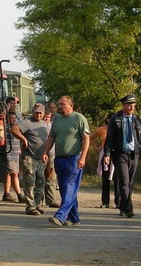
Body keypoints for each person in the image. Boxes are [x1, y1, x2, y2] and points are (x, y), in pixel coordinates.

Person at [42, 96, 90, 226]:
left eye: (62, 104)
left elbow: (86, 139)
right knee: (64, 189)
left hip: (74, 159)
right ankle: (74, 218)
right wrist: (45, 152)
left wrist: (83, 157)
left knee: (69, 187)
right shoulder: (56, 119)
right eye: (59, 104)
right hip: (59, 159)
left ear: (70, 105)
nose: (60, 106)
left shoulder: (79, 118)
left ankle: (60, 216)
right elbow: (51, 137)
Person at [104, 94, 141, 218]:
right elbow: (109, 138)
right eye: (129, 105)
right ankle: (129, 209)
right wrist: (107, 154)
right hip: (120, 154)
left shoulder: (138, 120)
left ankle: (123, 207)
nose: (131, 108)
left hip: (134, 154)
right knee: (124, 181)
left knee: (130, 183)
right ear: (123, 105)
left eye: (133, 105)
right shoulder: (115, 119)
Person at [12, 103, 49, 215]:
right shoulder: (27, 122)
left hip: (40, 158)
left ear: (43, 113)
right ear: (33, 112)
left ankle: (38, 204)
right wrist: (23, 139)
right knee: (30, 182)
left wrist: (46, 153)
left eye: (40, 112)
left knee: (40, 182)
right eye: (36, 112)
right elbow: (13, 129)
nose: (38, 114)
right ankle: (30, 206)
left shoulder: (44, 124)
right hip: (29, 157)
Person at [92, 113, 118, 208]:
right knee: (106, 178)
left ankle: (118, 202)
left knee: (117, 178)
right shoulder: (102, 129)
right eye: (110, 119)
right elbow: (90, 138)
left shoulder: (118, 128)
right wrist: (97, 147)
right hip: (105, 155)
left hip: (116, 154)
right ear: (107, 119)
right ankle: (105, 202)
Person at [2, 110, 25, 203]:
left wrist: (19, 149)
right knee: (14, 174)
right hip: (9, 154)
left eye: (14, 118)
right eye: (11, 118)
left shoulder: (16, 128)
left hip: (15, 154)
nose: (13, 120)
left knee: (9, 175)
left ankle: (6, 194)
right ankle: (19, 195)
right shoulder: (5, 128)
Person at [42, 109, 60, 208]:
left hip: (51, 155)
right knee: (39, 178)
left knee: (51, 178)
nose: (46, 118)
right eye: (45, 116)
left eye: (48, 117)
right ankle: (38, 201)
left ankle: (51, 200)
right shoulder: (38, 126)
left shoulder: (53, 127)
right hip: (39, 155)